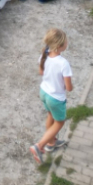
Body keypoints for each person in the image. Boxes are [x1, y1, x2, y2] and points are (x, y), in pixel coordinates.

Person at [29, 28, 73, 165]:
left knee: (50, 116)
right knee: (59, 122)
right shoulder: (63, 63)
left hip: (44, 93)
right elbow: (69, 88)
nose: (67, 43)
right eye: (66, 42)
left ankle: (51, 143)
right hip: (56, 98)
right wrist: (69, 86)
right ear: (60, 46)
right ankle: (39, 146)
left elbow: (41, 72)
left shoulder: (44, 55)